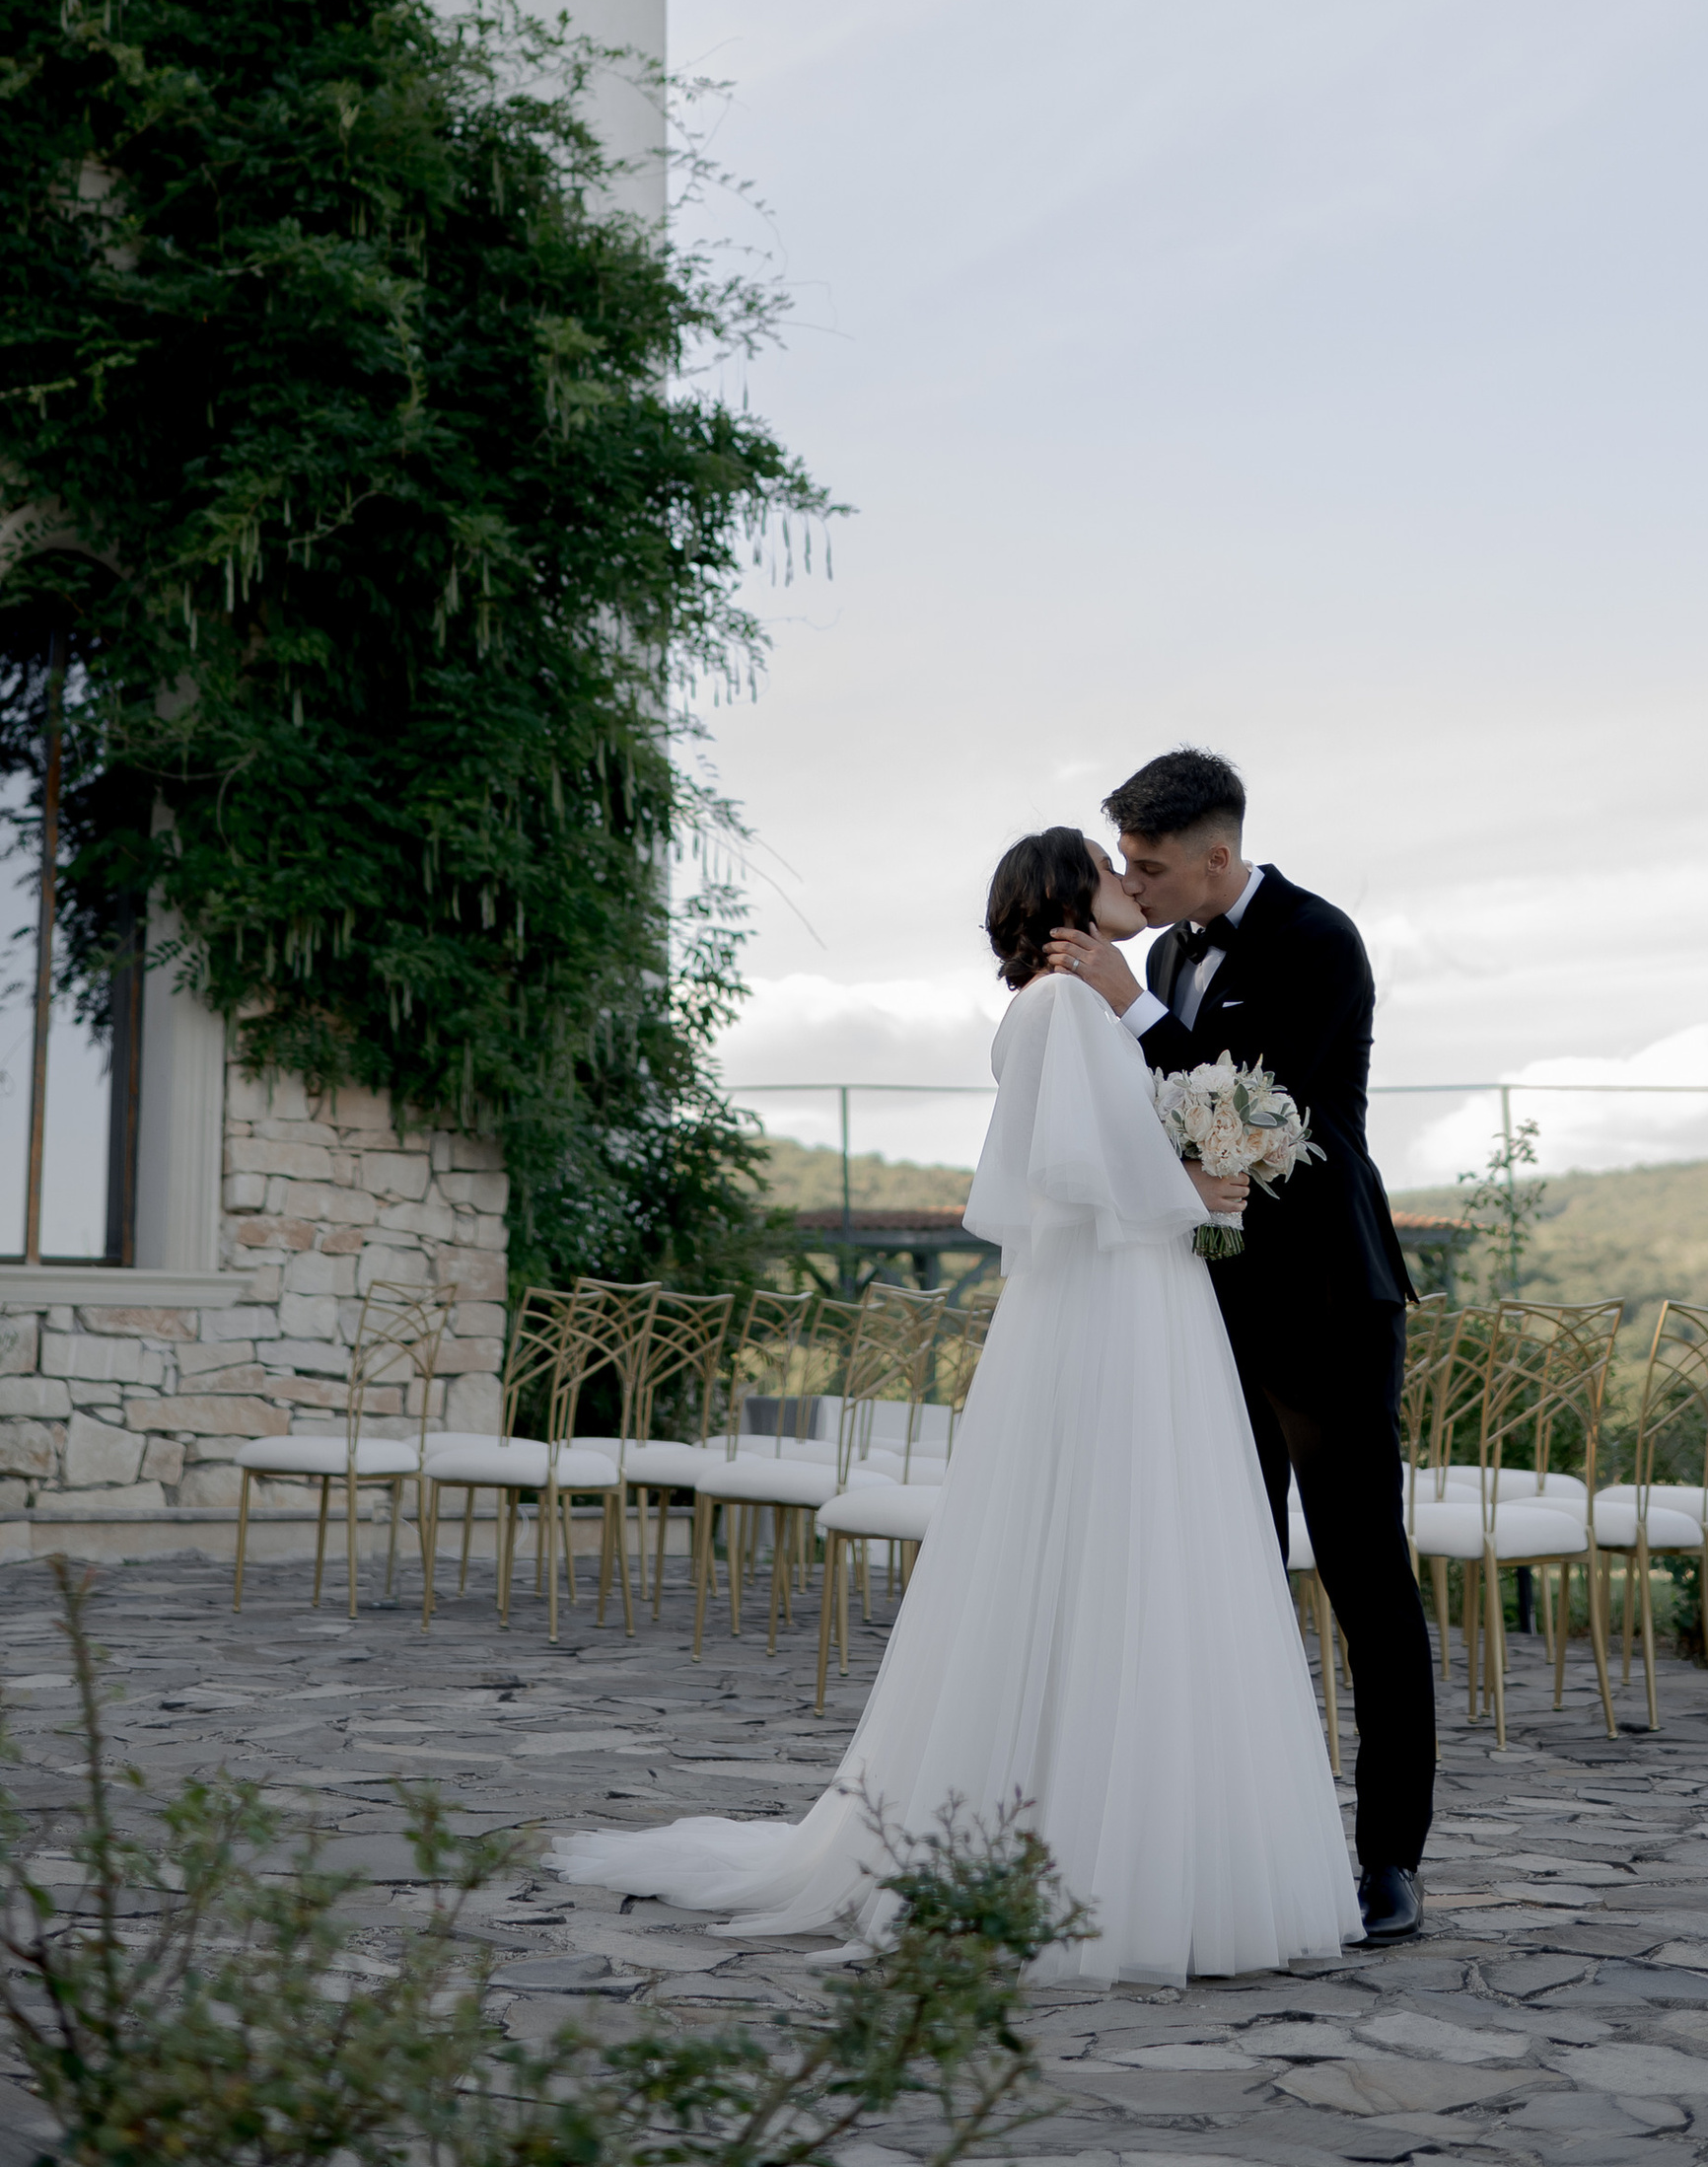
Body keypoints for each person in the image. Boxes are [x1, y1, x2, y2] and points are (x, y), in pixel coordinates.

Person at [551, 826, 1361, 1984]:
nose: (1127, 879)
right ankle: (1094, 1859)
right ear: (1063, 899)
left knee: (1148, 1557)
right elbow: (1061, 1179)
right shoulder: (1058, 1008)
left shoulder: (1087, 1001)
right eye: (1105, 863)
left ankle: (1155, 1848)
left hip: (1142, 1298)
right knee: (1110, 1550)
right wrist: (1187, 1187)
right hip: (1111, 1307)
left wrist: (1191, 1174)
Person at [1044, 746, 1435, 1946]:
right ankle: (1254, 1847)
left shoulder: (1322, 940)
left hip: (1323, 1297)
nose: (1134, 881)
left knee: (1366, 1577)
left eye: (1152, 864)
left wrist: (1135, 1008)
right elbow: (1169, 1122)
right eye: (1128, 860)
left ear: (1218, 854)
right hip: (1205, 1306)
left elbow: (1265, 1106)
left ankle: (1388, 1861)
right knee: (1235, 1579)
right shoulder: (1159, 953)